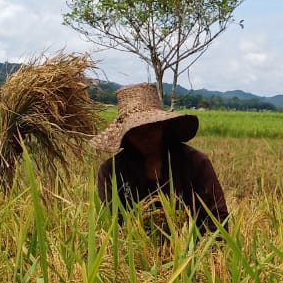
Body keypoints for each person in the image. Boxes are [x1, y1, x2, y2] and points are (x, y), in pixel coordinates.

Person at [90, 82, 228, 234]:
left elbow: (217, 218)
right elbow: (113, 225)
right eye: (137, 131)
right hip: (134, 252)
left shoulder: (195, 162)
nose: (145, 137)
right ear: (126, 134)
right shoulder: (112, 172)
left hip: (192, 249)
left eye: (151, 128)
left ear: (163, 125)